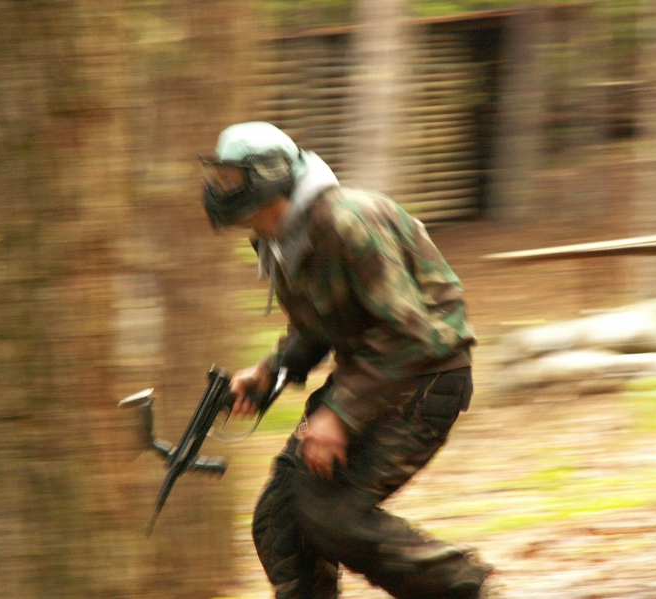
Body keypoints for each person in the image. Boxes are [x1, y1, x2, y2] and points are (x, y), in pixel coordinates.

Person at [200, 121, 491, 599]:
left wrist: (338, 416)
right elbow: (321, 323)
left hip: (426, 378)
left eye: (234, 179)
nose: (223, 191)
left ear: (270, 177)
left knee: (331, 512)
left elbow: (408, 333)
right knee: (281, 518)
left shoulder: (346, 220)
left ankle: (462, 590)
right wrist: (270, 371)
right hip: (375, 375)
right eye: (221, 179)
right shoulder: (279, 236)